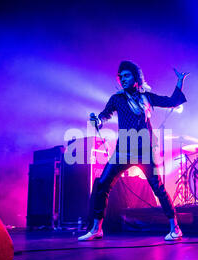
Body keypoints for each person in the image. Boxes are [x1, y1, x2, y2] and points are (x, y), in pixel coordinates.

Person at [78, 61, 189, 241]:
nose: (123, 79)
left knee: (158, 187)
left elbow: (171, 102)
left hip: (144, 149)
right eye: (120, 77)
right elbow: (105, 114)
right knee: (102, 184)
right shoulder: (117, 99)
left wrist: (179, 82)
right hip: (123, 150)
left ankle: (175, 228)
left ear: (136, 77)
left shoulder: (147, 97)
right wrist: (98, 121)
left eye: (127, 75)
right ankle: (96, 228)